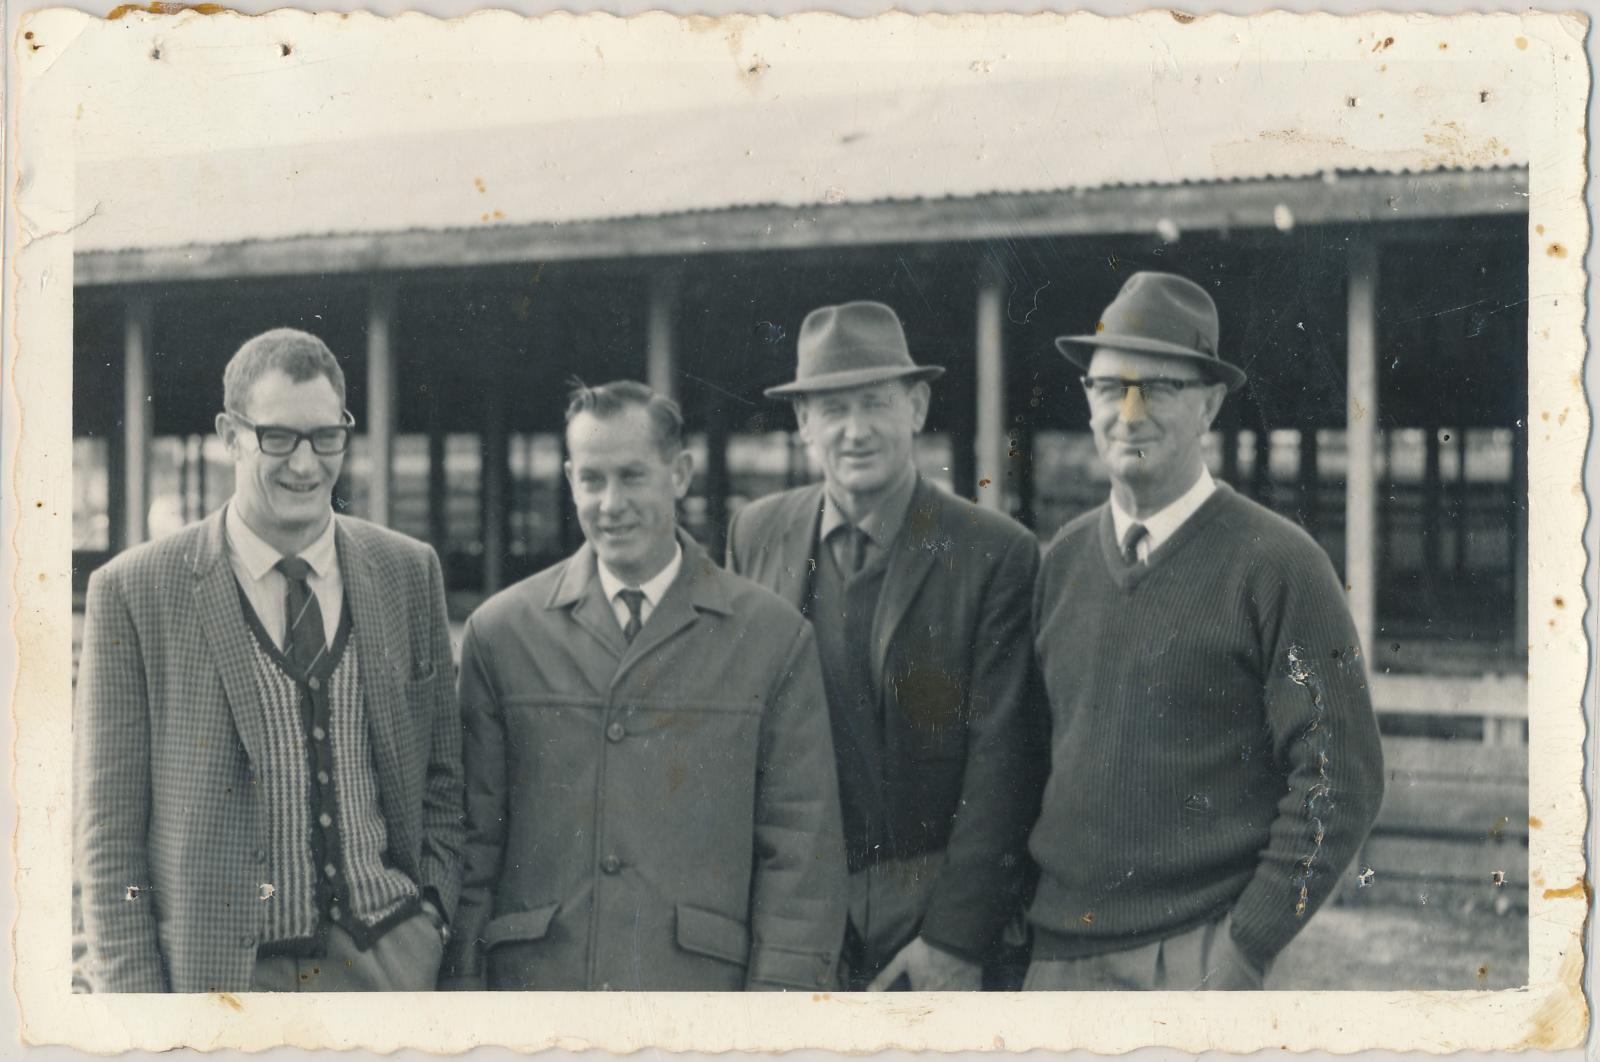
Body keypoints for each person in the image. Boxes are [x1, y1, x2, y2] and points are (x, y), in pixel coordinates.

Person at [1025, 271, 1386, 990]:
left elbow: (1342, 775)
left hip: (1194, 956)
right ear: (1086, 400)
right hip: (1057, 958)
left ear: (1211, 405)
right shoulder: (1060, 562)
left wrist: (1247, 943)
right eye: (1108, 387)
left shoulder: (1279, 564)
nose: (1128, 412)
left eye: (1159, 387)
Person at [75, 328, 464, 993]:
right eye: (277, 438)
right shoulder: (133, 591)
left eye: (326, 437)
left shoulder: (408, 571)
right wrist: (137, 1015)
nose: (306, 465)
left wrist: (430, 918)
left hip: (388, 964)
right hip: (223, 983)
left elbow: (443, 782)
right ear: (230, 434)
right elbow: (110, 841)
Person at [440, 381, 846, 991]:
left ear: (679, 474)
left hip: (696, 1001)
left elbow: (801, 853)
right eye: (592, 480)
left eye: (633, 476)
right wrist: (462, 1003)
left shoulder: (772, 638)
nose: (611, 503)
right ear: (571, 478)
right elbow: (473, 842)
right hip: (538, 997)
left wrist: (777, 1021)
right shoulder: (501, 633)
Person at [726, 301, 1044, 991]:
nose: (855, 430)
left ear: (918, 407)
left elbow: (1005, 766)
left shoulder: (995, 554)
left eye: (875, 404)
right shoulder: (756, 533)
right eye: (832, 409)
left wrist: (956, 941)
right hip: (794, 921)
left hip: (933, 921)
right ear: (803, 423)